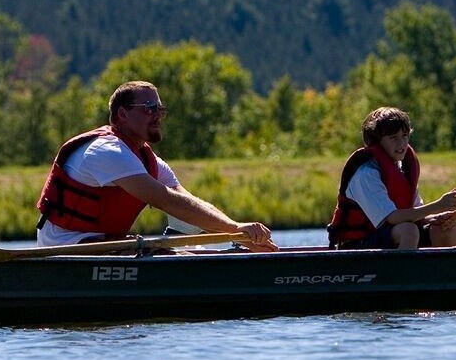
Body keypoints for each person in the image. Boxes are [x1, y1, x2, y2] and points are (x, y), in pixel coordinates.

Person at [36, 81, 276, 251]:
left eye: (160, 109)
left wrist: (239, 236)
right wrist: (235, 228)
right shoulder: (106, 151)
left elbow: (186, 202)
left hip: (104, 243)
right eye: (149, 109)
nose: (158, 115)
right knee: (161, 251)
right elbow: (167, 200)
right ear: (122, 114)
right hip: (66, 248)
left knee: (186, 230)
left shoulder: (148, 161)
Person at [327, 107, 456, 249]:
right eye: (394, 138)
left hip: (390, 237)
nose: (401, 144)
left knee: (446, 229)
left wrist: (438, 217)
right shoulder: (366, 174)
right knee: (409, 231)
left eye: (405, 136)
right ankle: (402, 271)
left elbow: (416, 213)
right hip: (357, 245)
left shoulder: (401, 170)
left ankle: (445, 271)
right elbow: (392, 218)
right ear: (377, 141)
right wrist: (439, 204)